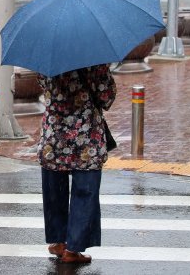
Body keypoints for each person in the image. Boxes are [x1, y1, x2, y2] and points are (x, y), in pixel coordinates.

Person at [37, 64, 116, 264]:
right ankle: (73, 249)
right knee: (85, 192)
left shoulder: (48, 59)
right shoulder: (94, 62)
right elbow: (107, 98)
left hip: (54, 135)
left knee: (55, 190)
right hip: (86, 137)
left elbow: (43, 87)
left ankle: (59, 242)